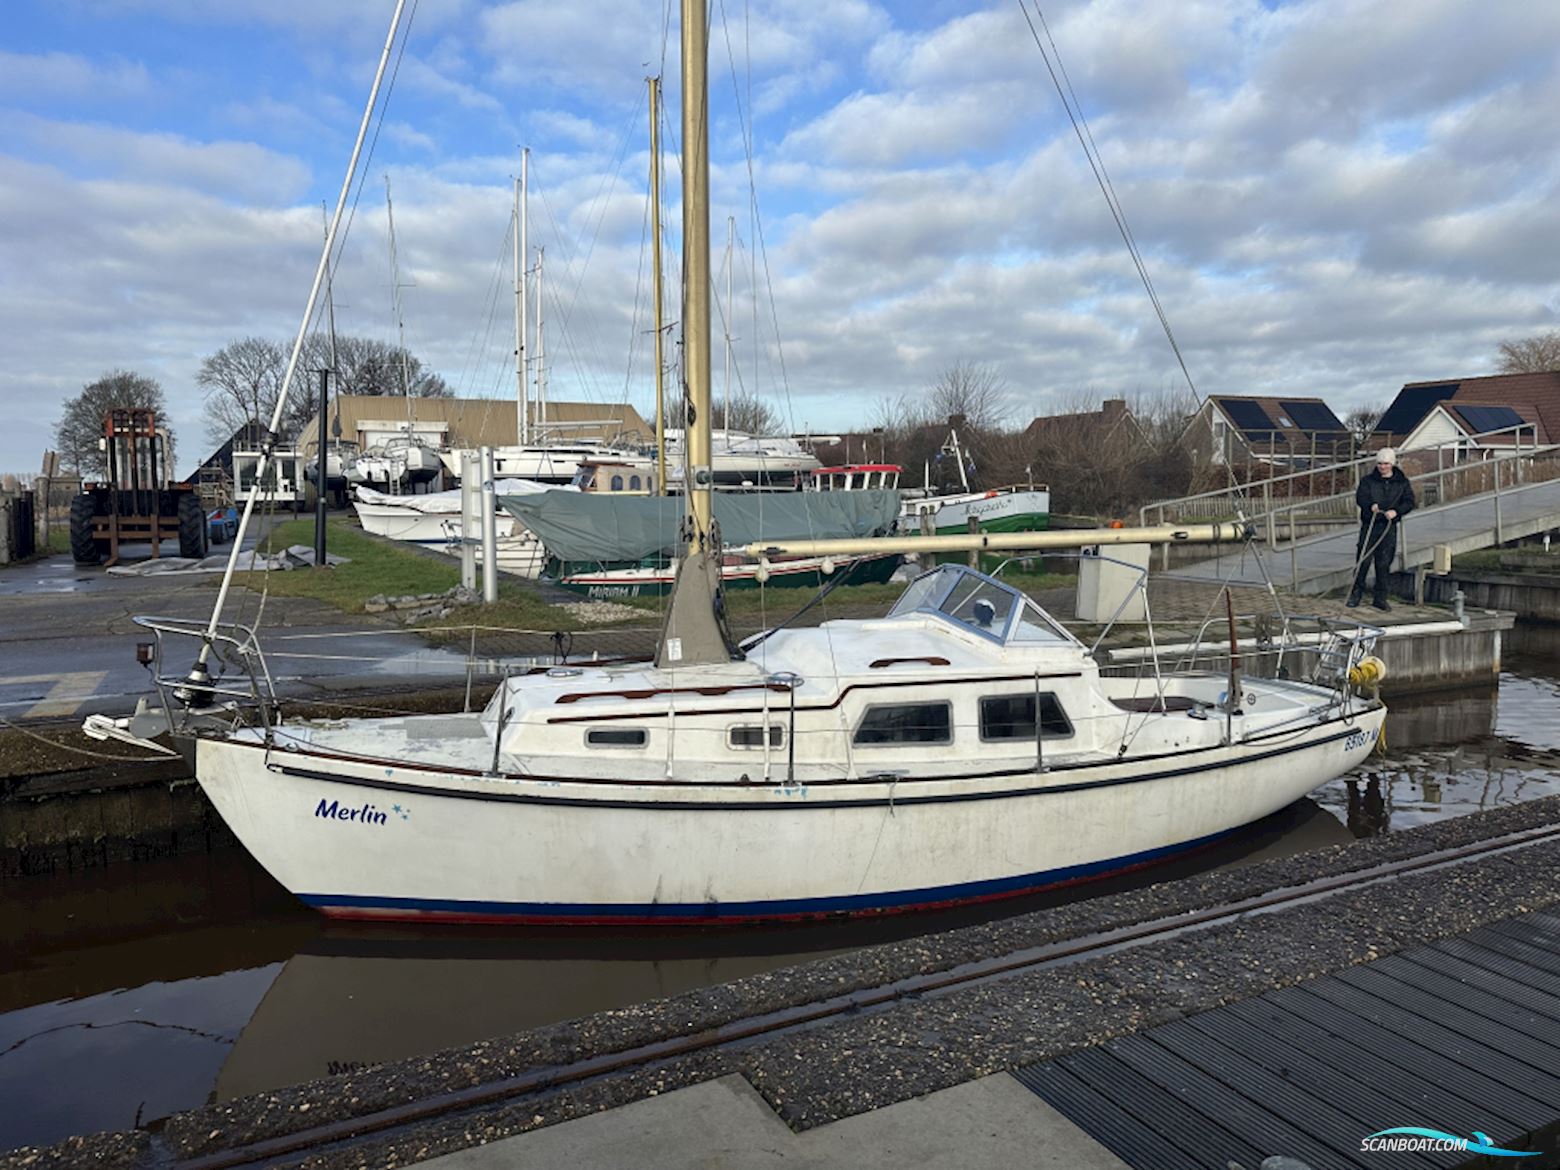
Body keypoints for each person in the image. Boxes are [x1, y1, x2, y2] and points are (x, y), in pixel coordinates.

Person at [1348, 447, 1416, 611]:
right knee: (1363, 561)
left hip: (1388, 527)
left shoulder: (1402, 483)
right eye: (1379, 464)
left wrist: (1396, 512)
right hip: (1370, 525)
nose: (1382, 467)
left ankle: (1380, 598)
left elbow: (1409, 502)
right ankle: (1356, 595)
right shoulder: (1368, 481)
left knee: (1384, 563)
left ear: (1391, 464)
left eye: (1385, 464)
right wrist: (1370, 505)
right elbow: (1361, 497)